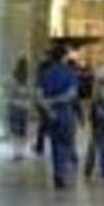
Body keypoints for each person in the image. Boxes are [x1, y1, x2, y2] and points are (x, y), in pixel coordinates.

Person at [36, 41, 81, 189]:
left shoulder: (44, 74)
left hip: (50, 113)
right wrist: (56, 101)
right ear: (64, 57)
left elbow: (39, 96)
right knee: (66, 144)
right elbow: (71, 94)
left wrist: (48, 106)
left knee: (55, 145)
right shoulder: (70, 73)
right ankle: (62, 175)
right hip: (65, 112)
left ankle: (57, 174)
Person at [83, 53, 104, 183]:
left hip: (99, 109)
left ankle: (89, 168)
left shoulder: (99, 72)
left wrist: (91, 110)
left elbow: (94, 94)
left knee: (95, 140)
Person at [5, 55, 33, 150]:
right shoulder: (28, 79)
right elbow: (30, 93)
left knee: (15, 129)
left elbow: (9, 91)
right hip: (24, 106)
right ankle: (21, 149)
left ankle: (16, 150)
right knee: (23, 128)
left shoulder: (13, 77)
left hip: (14, 105)